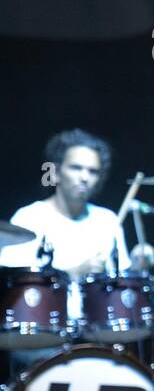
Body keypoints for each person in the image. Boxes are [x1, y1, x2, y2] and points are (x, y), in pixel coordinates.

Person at [0, 129, 131, 375]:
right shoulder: (29, 219)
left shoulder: (108, 221)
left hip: (95, 337)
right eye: (76, 168)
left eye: (92, 171)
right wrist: (72, 273)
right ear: (57, 171)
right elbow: (13, 289)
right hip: (40, 341)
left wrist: (139, 265)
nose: (84, 177)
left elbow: (121, 284)